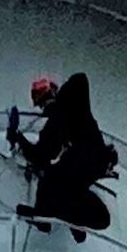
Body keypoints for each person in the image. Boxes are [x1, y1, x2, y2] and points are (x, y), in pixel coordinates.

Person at [8, 72, 114, 240]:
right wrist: (18, 137)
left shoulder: (74, 109)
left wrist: (59, 103)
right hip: (86, 169)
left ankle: (48, 216)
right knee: (58, 181)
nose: (46, 104)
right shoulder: (53, 127)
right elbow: (40, 156)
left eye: (46, 94)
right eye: (42, 102)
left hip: (91, 161)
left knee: (51, 177)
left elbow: (80, 79)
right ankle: (67, 218)